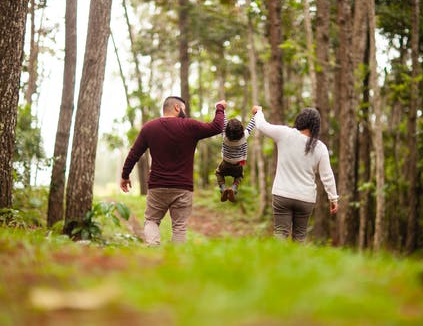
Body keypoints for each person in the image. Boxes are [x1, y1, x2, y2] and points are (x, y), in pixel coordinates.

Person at [120, 96, 227, 246]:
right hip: (183, 188)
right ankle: (176, 261)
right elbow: (217, 127)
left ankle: (153, 250)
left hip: (158, 186)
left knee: (151, 220)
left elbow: (134, 154)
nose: (185, 112)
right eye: (184, 108)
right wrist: (220, 108)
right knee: (179, 227)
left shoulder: (149, 128)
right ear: (177, 107)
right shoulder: (190, 126)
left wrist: (125, 175)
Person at [253, 105, 339, 243]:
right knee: (300, 238)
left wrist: (258, 112)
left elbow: (262, 125)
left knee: (280, 234)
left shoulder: (285, 134)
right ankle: (297, 264)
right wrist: (333, 198)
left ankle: (276, 263)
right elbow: (327, 176)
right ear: (316, 126)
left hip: (282, 195)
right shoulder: (320, 147)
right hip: (305, 198)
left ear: (300, 120)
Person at [215, 111, 256, 202]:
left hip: (225, 163)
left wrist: (222, 109)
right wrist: (256, 114)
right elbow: (251, 124)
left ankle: (223, 188)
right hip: (237, 164)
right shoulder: (244, 136)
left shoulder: (224, 136)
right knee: (239, 176)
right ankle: (234, 188)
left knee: (219, 173)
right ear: (241, 130)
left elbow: (224, 121)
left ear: (227, 130)